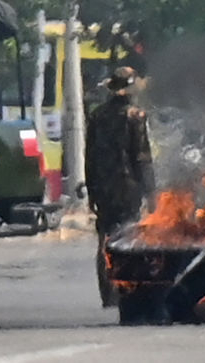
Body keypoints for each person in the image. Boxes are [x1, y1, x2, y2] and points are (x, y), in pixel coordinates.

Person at [85, 66, 156, 308]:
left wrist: (92, 193)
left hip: (104, 189)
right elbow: (142, 158)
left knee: (105, 238)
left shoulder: (97, 116)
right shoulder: (136, 117)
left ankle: (108, 293)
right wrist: (151, 191)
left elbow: (90, 158)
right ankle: (125, 289)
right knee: (128, 238)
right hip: (129, 188)